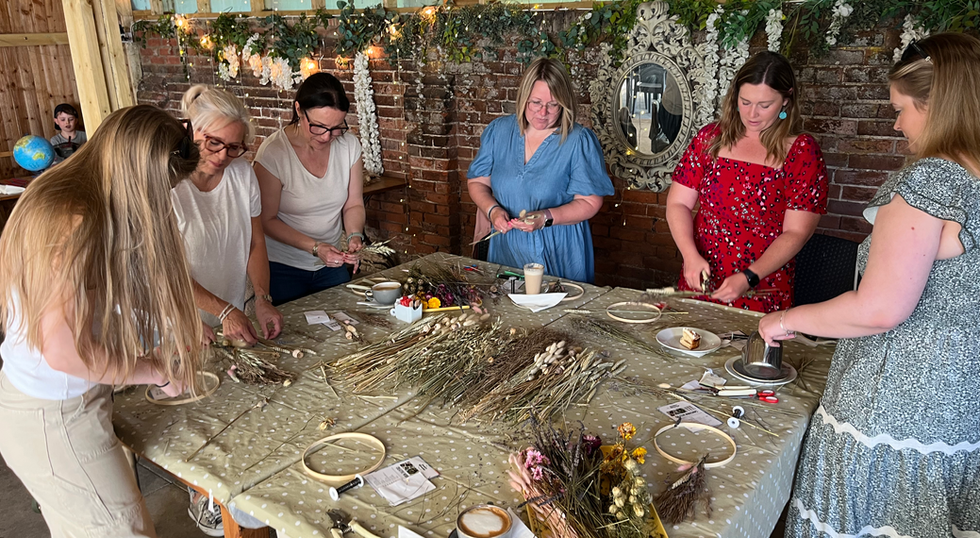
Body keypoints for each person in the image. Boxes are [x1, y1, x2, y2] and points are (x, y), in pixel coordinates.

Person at [759, 34, 980, 538]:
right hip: (957, 403)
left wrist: (786, 319)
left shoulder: (932, 182)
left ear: (938, 105)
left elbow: (879, 307)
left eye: (902, 109)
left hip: (893, 405)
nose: (897, 124)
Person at [0, 105, 204, 537]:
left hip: (51, 405)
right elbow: (64, 351)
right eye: (161, 188)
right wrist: (153, 370)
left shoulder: (64, 195)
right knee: (121, 529)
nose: (161, 200)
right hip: (54, 419)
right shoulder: (74, 222)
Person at [666, 51, 828, 312]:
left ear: (786, 101)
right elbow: (678, 204)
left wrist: (750, 276)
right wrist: (689, 255)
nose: (753, 113)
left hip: (763, 282)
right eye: (745, 101)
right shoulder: (711, 137)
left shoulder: (801, 151)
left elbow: (797, 232)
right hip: (702, 275)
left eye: (765, 105)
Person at [467, 57, 614, 283]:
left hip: (559, 249)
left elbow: (590, 202)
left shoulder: (578, 140)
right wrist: (492, 211)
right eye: (535, 102)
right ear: (524, 98)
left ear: (564, 104)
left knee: (561, 313)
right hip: (508, 248)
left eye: (552, 105)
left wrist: (546, 217)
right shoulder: (499, 131)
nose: (542, 112)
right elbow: (477, 183)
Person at [253, 73, 365, 305]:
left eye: (336, 128)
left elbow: (353, 203)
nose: (326, 136)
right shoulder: (274, 153)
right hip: (283, 267)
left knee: (342, 326)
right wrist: (314, 247)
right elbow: (266, 220)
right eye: (318, 126)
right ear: (298, 110)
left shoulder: (349, 145)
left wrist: (354, 235)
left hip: (331, 263)